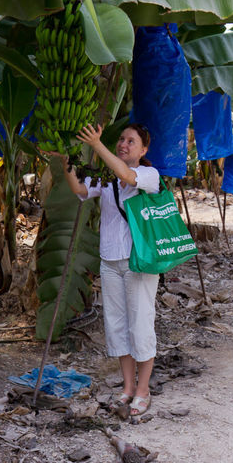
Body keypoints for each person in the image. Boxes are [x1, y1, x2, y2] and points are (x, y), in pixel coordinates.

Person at [59, 123, 160, 417]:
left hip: (137, 262)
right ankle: (128, 387)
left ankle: (143, 390)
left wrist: (97, 145)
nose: (123, 144)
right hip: (110, 261)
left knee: (140, 324)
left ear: (143, 150)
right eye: (121, 140)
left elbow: (127, 174)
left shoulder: (148, 175)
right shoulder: (106, 180)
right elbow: (79, 188)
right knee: (116, 325)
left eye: (131, 141)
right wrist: (64, 159)